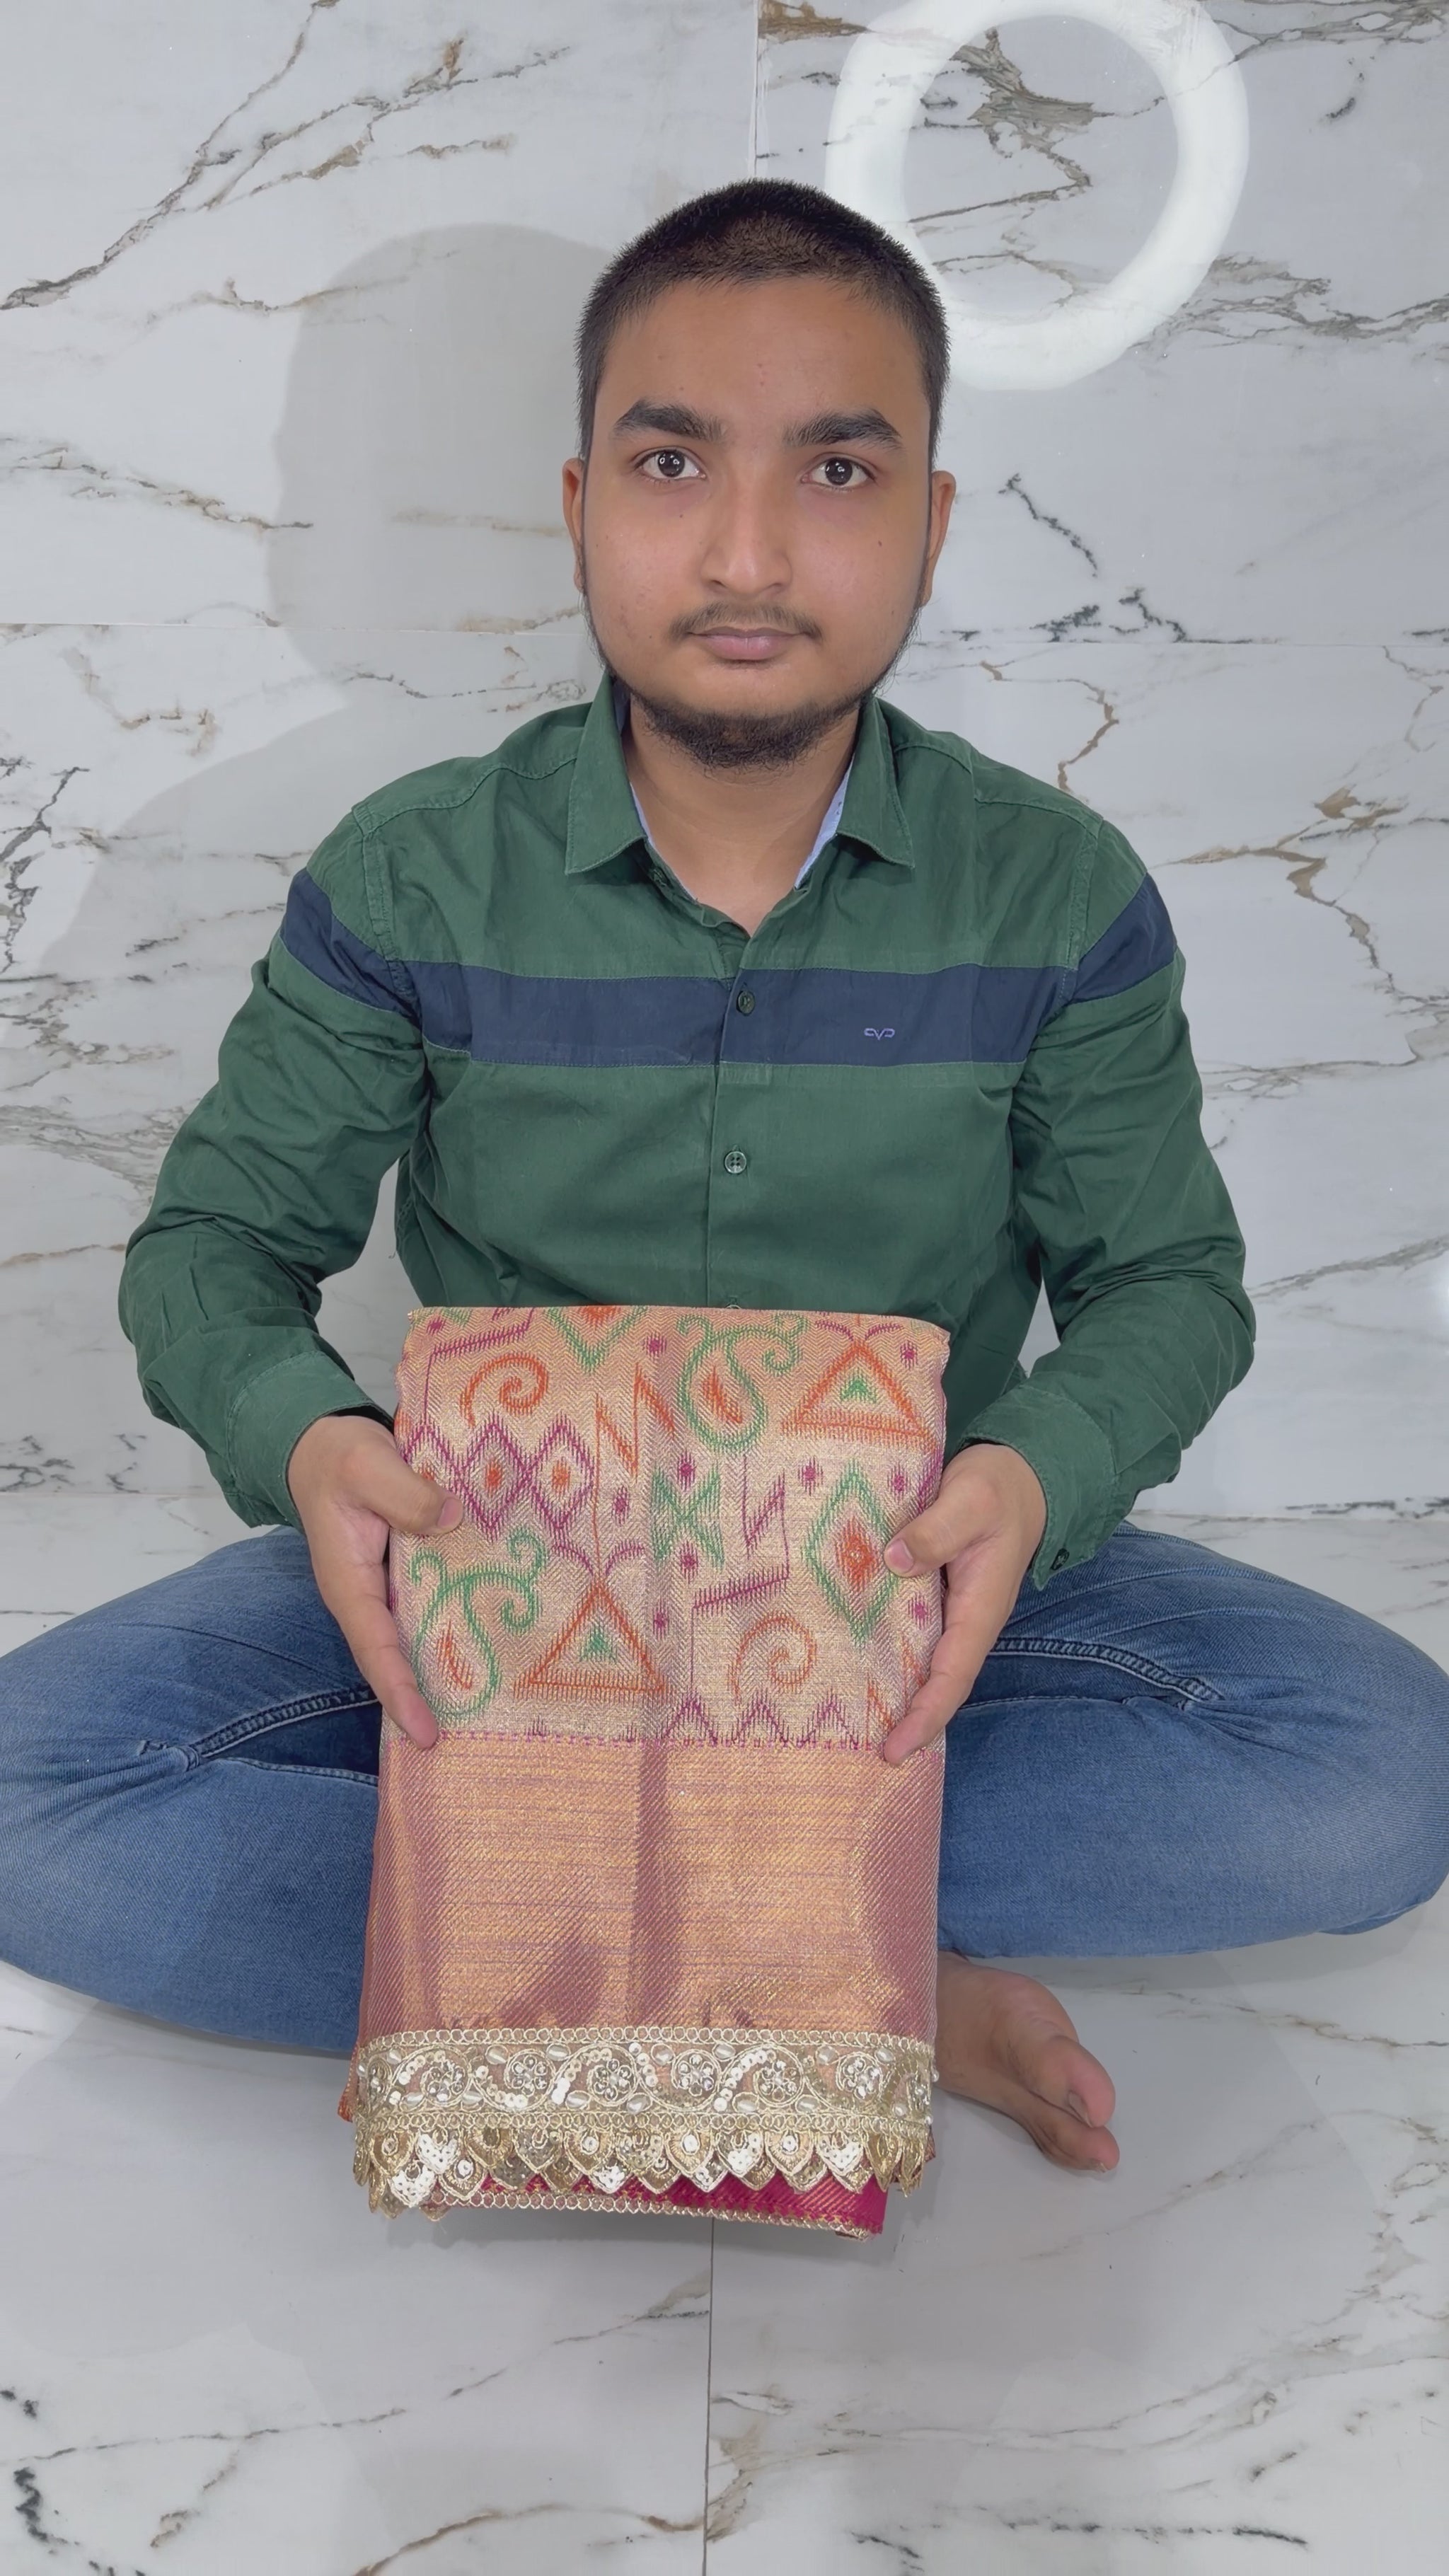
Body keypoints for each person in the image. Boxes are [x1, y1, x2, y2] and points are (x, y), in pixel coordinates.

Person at [4, 181, 1447, 2178]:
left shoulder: (1053, 892)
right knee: (25, 1798)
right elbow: (213, 1252)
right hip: (495, 1600)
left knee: (1382, 1782)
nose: (749, 552)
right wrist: (313, 1446)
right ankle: (865, 1979)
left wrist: (1032, 1480)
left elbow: (1170, 1288)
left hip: (904, 1583)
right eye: (674, 462)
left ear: (930, 518)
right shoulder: (414, 876)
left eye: (837, 469)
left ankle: (619, 1940)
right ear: (580, 502)